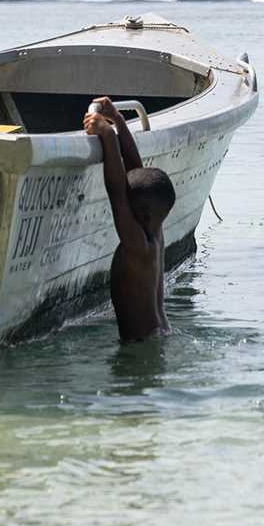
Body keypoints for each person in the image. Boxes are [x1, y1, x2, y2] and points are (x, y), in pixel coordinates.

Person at [82, 97, 176, 342]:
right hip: (158, 333)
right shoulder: (154, 233)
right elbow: (136, 171)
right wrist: (119, 121)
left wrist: (108, 136)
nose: (125, 205)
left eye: (128, 203)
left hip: (141, 346)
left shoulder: (137, 247)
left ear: (141, 214)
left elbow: (116, 193)